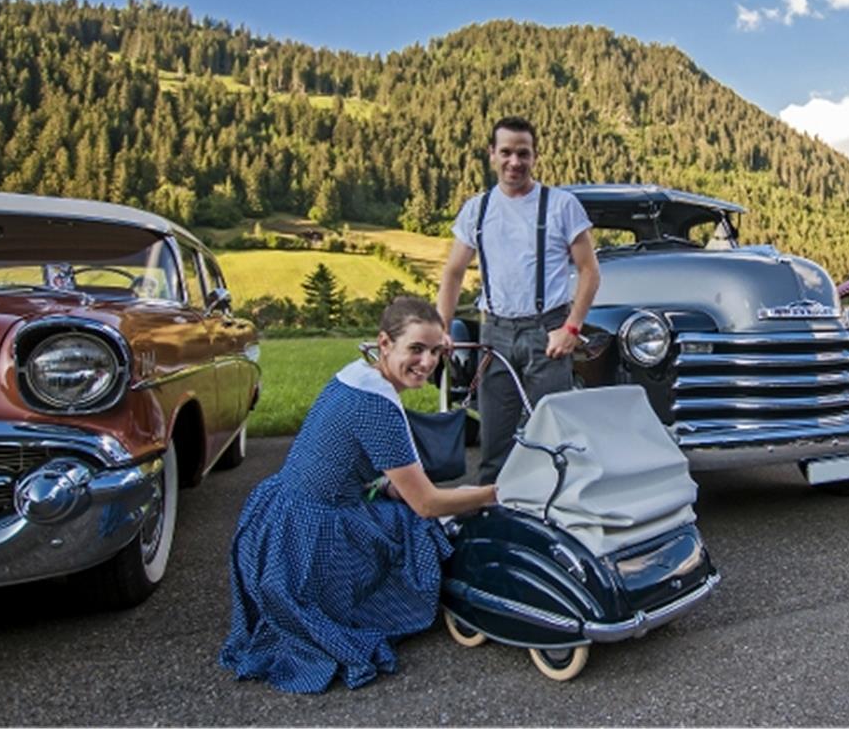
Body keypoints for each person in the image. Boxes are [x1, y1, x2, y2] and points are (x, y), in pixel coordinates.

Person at [219, 297, 496, 694]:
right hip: (310, 537)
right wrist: (489, 493)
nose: (428, 361)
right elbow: (426, 502)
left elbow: (343, 462)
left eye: (437, 351)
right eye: (416, 349)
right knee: (420, 529)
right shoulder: (376, 406)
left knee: (398, 507)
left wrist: (383, 487)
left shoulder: (353, 376)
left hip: (276, 515)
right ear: (385, 344)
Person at [438, 116, 600, 483]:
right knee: (494, 444)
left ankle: (555, 523)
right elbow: (452, 272)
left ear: (535, 156)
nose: (515, 162)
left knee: (553, 438)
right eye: (506, 152)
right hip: (494, 334)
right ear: (492, 154)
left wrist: (571, 327)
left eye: (523, 153)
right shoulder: (476, 210)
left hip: (547, 334)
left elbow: (590, 271)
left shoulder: (561, 205)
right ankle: (491, 522)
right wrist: (441, 328)